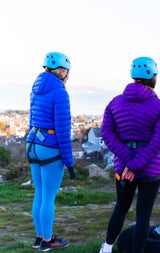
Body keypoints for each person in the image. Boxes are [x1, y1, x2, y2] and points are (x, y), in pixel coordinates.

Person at [99, 56, 160, 253]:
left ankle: (106, 248)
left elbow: (107, 134)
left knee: (121, 208)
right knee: (143, 216)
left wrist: (128, 162)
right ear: (153, 77)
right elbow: (159, 141)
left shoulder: (114, 103)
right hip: (150, 167)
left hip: (123, 167)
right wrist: (135, 163)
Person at [26, 52, 75, 251]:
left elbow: (31, 119)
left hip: (33, 144)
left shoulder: (36, 89)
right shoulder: (60, 93)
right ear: (62, 71)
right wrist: (70, 162)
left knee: (39, 193)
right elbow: (63, 130)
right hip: (50, 147)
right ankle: (47, 240)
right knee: (48, 197)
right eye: (68, 71)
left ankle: (39, 237)